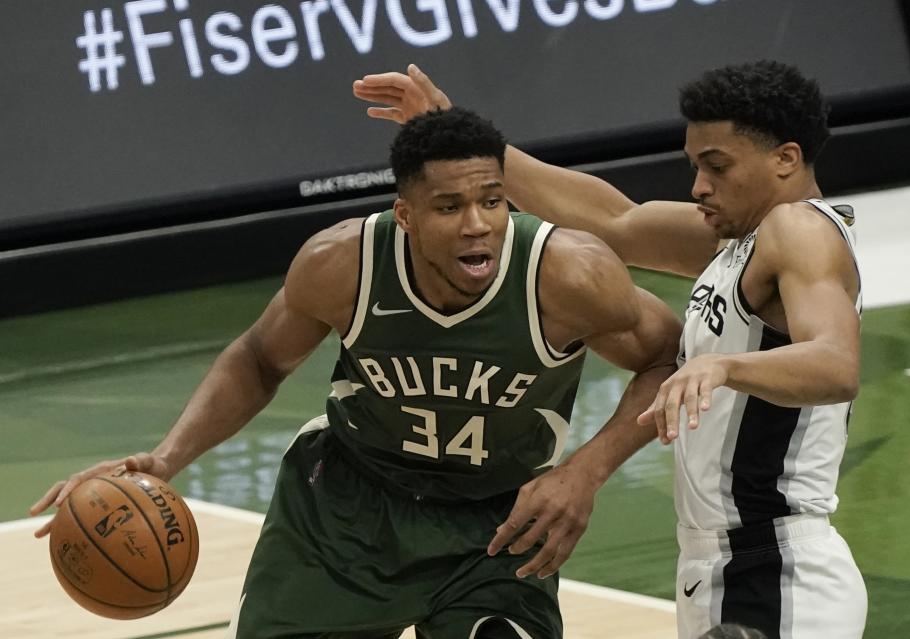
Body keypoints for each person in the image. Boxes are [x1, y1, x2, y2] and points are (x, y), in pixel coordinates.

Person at [30, 107, 682, 638]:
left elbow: (666, 354)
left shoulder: (568, 275)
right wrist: (167, 458)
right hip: (345, 514)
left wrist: (585, 471)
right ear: (405, 216)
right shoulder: (342, 263)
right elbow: (260, 358)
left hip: (497, 523)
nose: (478, 225)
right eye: (450, 207)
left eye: (491, 201)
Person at [353, 60, 868, 638]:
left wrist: (721, 364)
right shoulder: (738, 241)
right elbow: (612, 219)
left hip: (775, 565)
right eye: (696, 165)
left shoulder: (798, 230)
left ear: (786, 159)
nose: (699, 185)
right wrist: (462, 136)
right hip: (720, 563)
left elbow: (835, 363)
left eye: (717, 167)